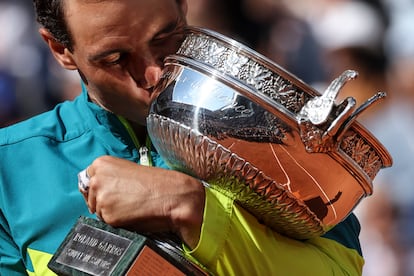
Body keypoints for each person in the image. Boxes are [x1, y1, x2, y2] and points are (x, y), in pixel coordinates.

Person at [0, 0, 364, 275]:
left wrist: (191, 207)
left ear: (183, 7)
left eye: (165, 37)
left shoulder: (280, 133)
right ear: (60, 50)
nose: (154, 72)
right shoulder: (8, 170)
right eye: (115, 58)